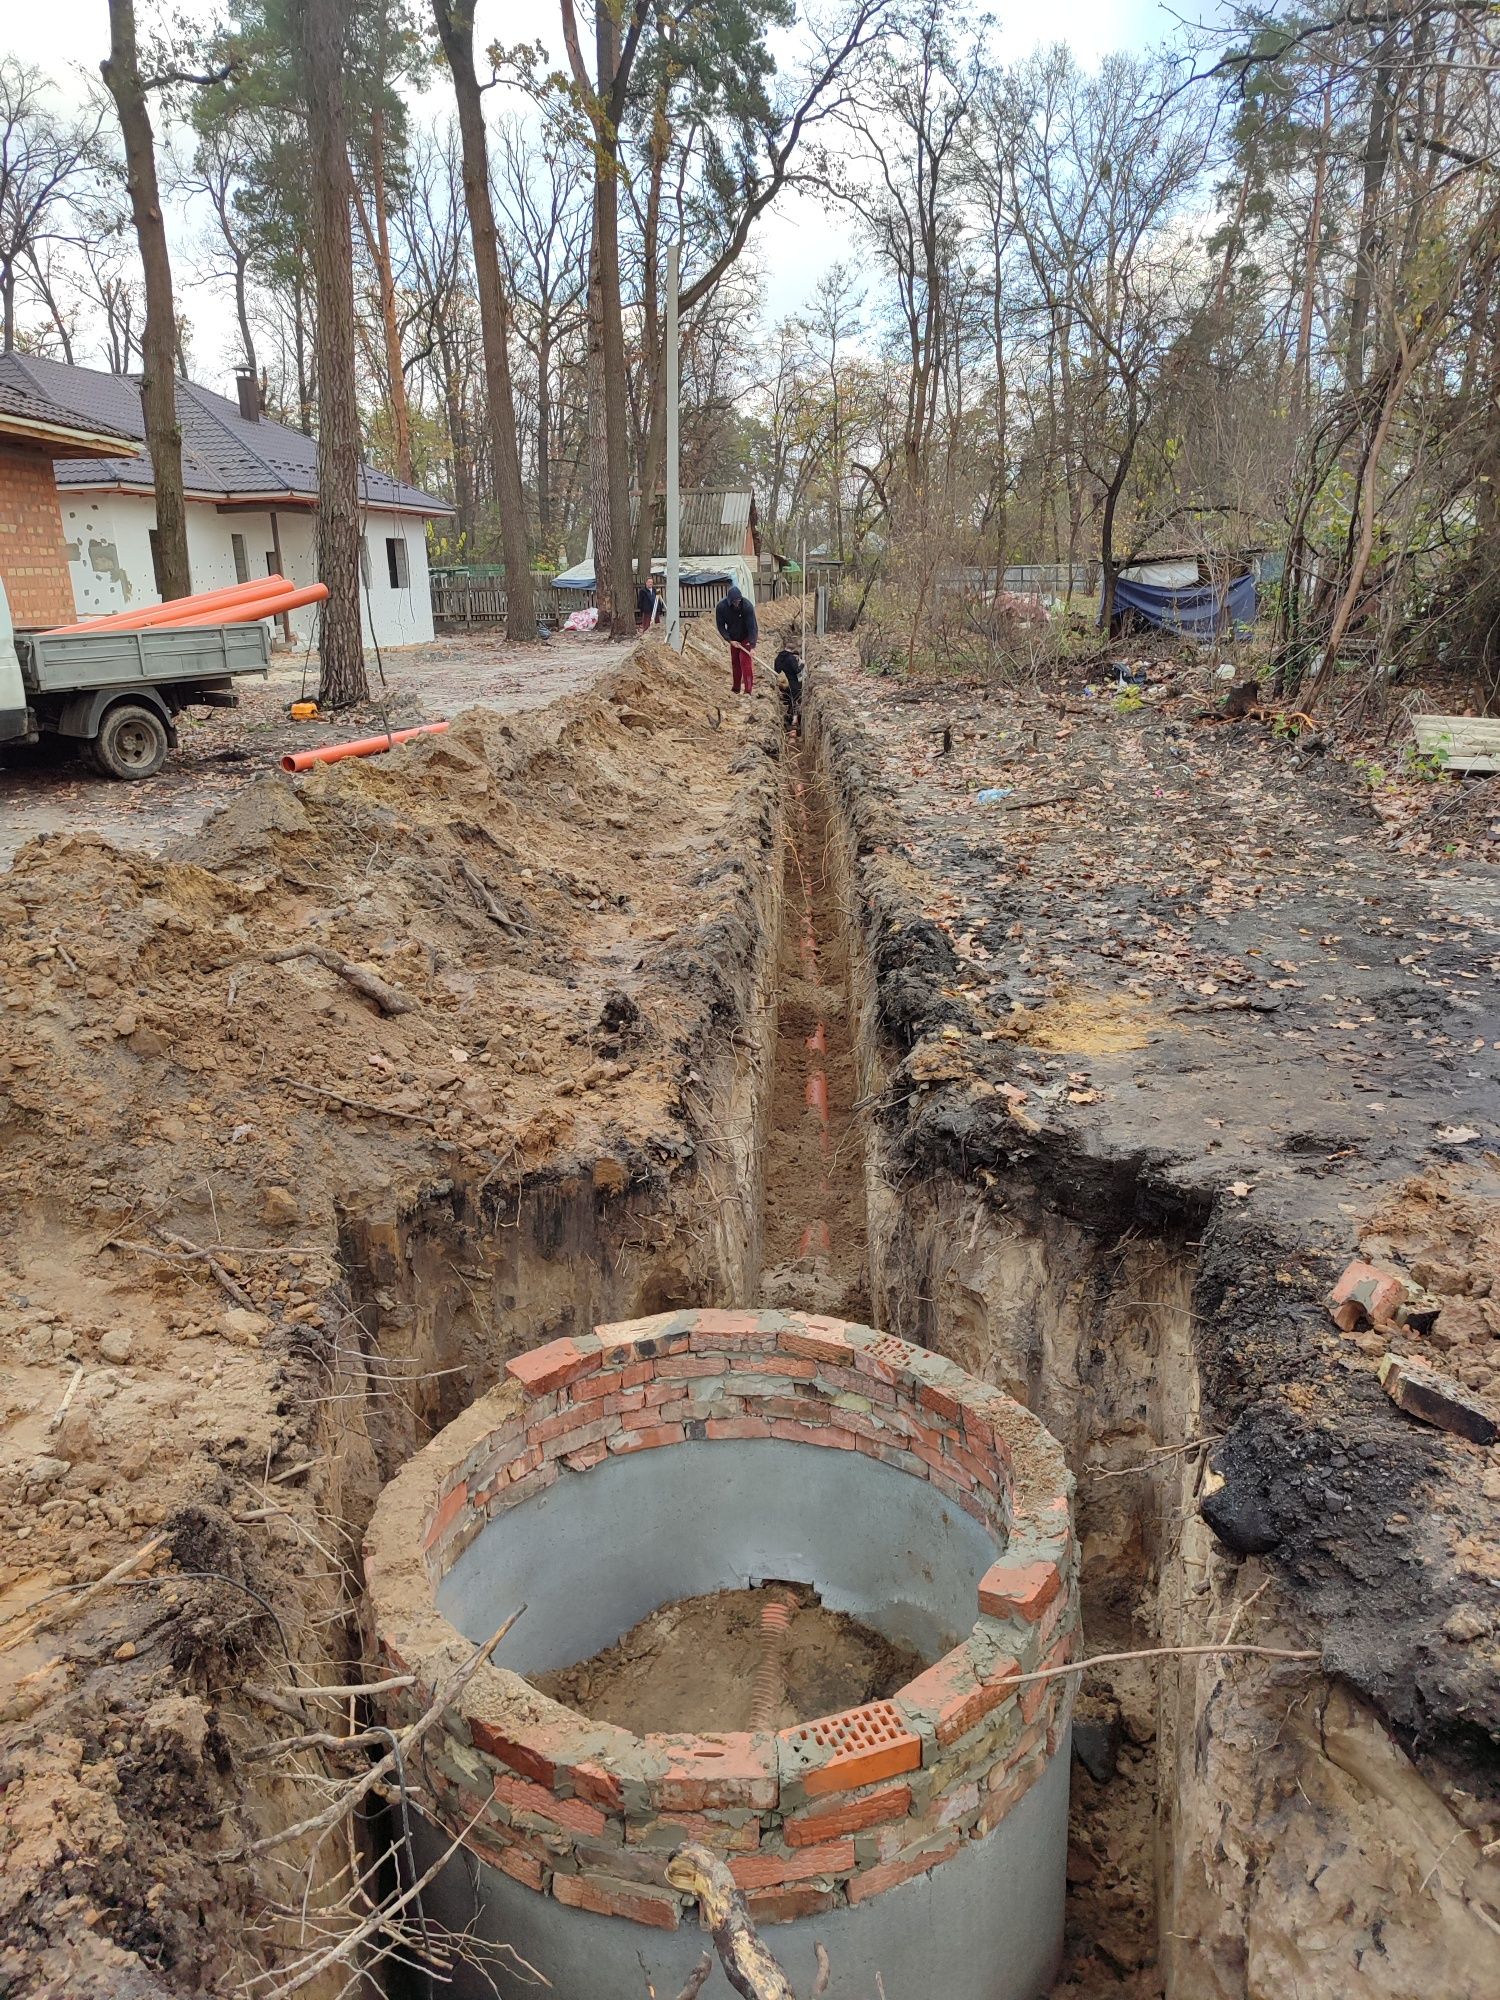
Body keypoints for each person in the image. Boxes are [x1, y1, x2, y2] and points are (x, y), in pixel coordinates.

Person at [714, 582, 758, 695]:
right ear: (730, 601)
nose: (737, 604)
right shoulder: (721, 607)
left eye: (738, 601)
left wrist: (752, 646)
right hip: (733, 637)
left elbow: (752, 627)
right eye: (734, 602)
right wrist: (729, 640)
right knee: (735, 662)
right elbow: (720, 626)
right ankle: (736, 688)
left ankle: (748, 691)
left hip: (746, 636)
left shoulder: (747, 606)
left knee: (745, 662)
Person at [773, 645, 803, 732]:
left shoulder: (778, 657)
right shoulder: (791, 658)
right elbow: (797, 670)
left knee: (786, 701)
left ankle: (786, 722)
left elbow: (776, 670)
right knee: (795, 701)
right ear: (792, 650)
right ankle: (794, 721)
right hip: (792, 684)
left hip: (782, 684)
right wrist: (802, 665)